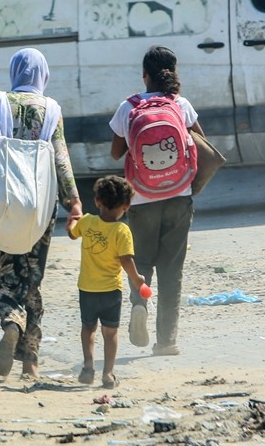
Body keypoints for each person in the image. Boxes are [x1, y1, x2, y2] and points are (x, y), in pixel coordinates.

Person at [0, 48, 83, 378]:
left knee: (6, 272)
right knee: (32, 278)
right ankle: (30, 362)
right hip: (41, 204)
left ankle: (11, 320)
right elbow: (60, 158)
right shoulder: (51, 109)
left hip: (5, 202)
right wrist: (74, 201)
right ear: (42, 74)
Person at [109, 45, 204, 356]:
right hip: (179, 196)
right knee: (171, 270)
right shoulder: (181, 104)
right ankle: (167, 341)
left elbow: (116, 153)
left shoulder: (128, 107)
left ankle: (140, 304)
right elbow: (202, 143)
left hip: (140, 199)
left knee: (142, 262)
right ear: (173, 73)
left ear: (144, 75)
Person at [69, 176, 145, 388]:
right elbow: (126, 260)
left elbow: (72, 234)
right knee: (110, 333)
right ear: (126, 206)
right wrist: (137, 280)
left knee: (88, 328)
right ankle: (108, 374)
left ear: (97, 201)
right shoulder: (122, 231)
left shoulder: (87, 222)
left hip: (87, 289)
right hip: (111, 291)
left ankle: (88, 366)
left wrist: (74, 218)